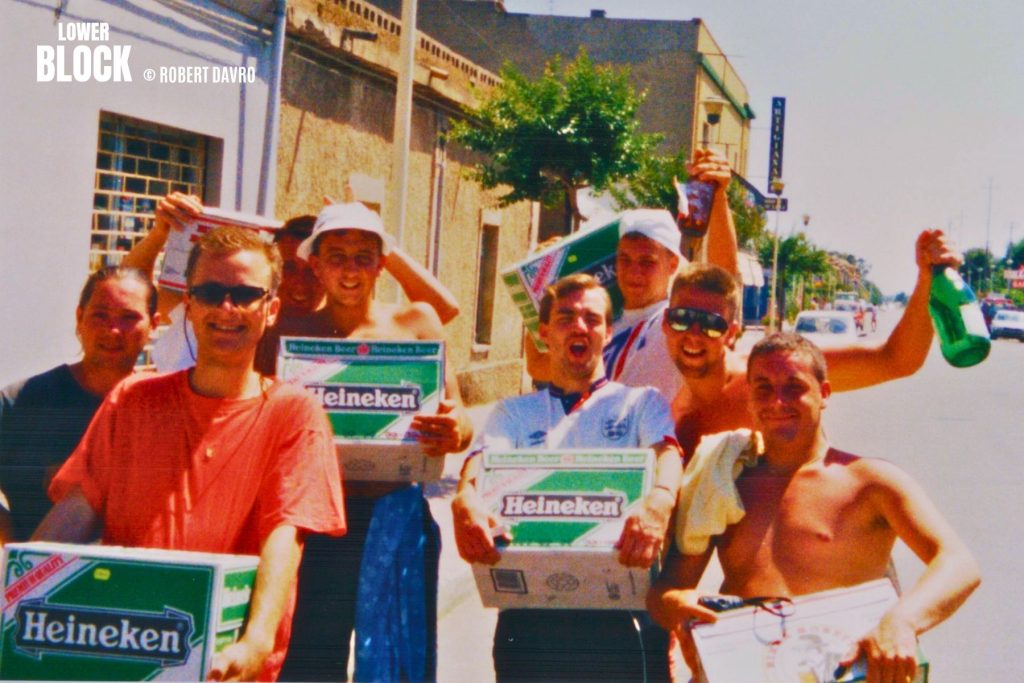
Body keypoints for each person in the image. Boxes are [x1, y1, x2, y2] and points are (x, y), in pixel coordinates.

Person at [33, 227, 347, 682]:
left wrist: (257, 642)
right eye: (211, 292)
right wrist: (15, 595)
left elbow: (285, 537)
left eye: (244, 294)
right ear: (190, 305)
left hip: (223, 663)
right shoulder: (133, 399)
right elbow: (76, 511)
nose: (226, 308)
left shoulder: (294, 412)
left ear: (271, 309)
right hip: (126, 648)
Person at [648, 332, 980, 681]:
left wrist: (903, 620)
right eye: (763, 388)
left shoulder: (868, 482)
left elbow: (959, 563)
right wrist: (676, 607)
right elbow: (665, 591)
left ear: (824, 394)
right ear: (748, 399)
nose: (777, 401)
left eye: (794, 387)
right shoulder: (725, 481)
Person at [258, 202, 473, 682]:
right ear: (315, 264)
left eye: (363, 256)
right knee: (311, 657)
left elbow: (458, 413)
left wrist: (454, 428)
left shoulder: (416, 323)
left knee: (398, 656)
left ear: (381, 264)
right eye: (336, 255)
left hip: (395, 516)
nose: (349, 269)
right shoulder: (288, 333)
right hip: (316, 525)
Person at [453, 273, 683, 681]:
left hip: (620, 615)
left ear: (608, 332)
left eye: (592, 319)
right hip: (532, 619)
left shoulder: (641, 402)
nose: (580, 327)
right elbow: (480, 466)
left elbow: (666, 454)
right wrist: (464, 501)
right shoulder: (515, 413)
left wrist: (660, 500)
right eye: (565, 318)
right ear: (545, 333)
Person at [664, 229, 960, 458]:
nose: (693, 333)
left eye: (711, 324)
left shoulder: (772, 372)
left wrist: (927, 279)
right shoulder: (662, 407)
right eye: (681, 318)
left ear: (732, 333)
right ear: (665, 324)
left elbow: (897, 360)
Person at [123, 192, 459, 371]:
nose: (299, 282)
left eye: (310, 271)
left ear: (323, 268)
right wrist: (160, 234)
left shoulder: (331, 324)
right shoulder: (229, 306)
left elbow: (443, 310)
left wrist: (371, 234)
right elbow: (132, 298)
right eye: (287, 268)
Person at [527, 149, 737, 410]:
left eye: (647, 262)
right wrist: (541, 282)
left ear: (672, 264)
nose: (633, 272)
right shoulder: (599, 322)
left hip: (658, 445)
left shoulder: (676, 321)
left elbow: (724, 278)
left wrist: (718, 197)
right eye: (625, 259)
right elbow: (539, 365)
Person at [0, 266, 158, 544]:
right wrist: (11, 548)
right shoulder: (23, 402)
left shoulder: (162, 412)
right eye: (100, 315)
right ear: (79, 317)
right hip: (37, 582)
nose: (113, 330)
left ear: (153, 325)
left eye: (129, 317)